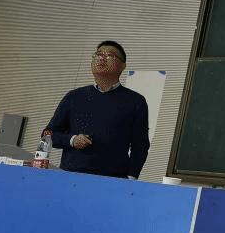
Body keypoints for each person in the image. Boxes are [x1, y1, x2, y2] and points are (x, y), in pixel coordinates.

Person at [45, 40, 150, 179]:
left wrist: (131, 177)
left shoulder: (135, 101)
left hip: (112, 180)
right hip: (69, 176)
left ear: (122, 65)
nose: (101, 58)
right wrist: (72, 140)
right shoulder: (74, 97)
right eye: (98, 55)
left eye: (109, 55)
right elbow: (48, 134)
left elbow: (140, 145)